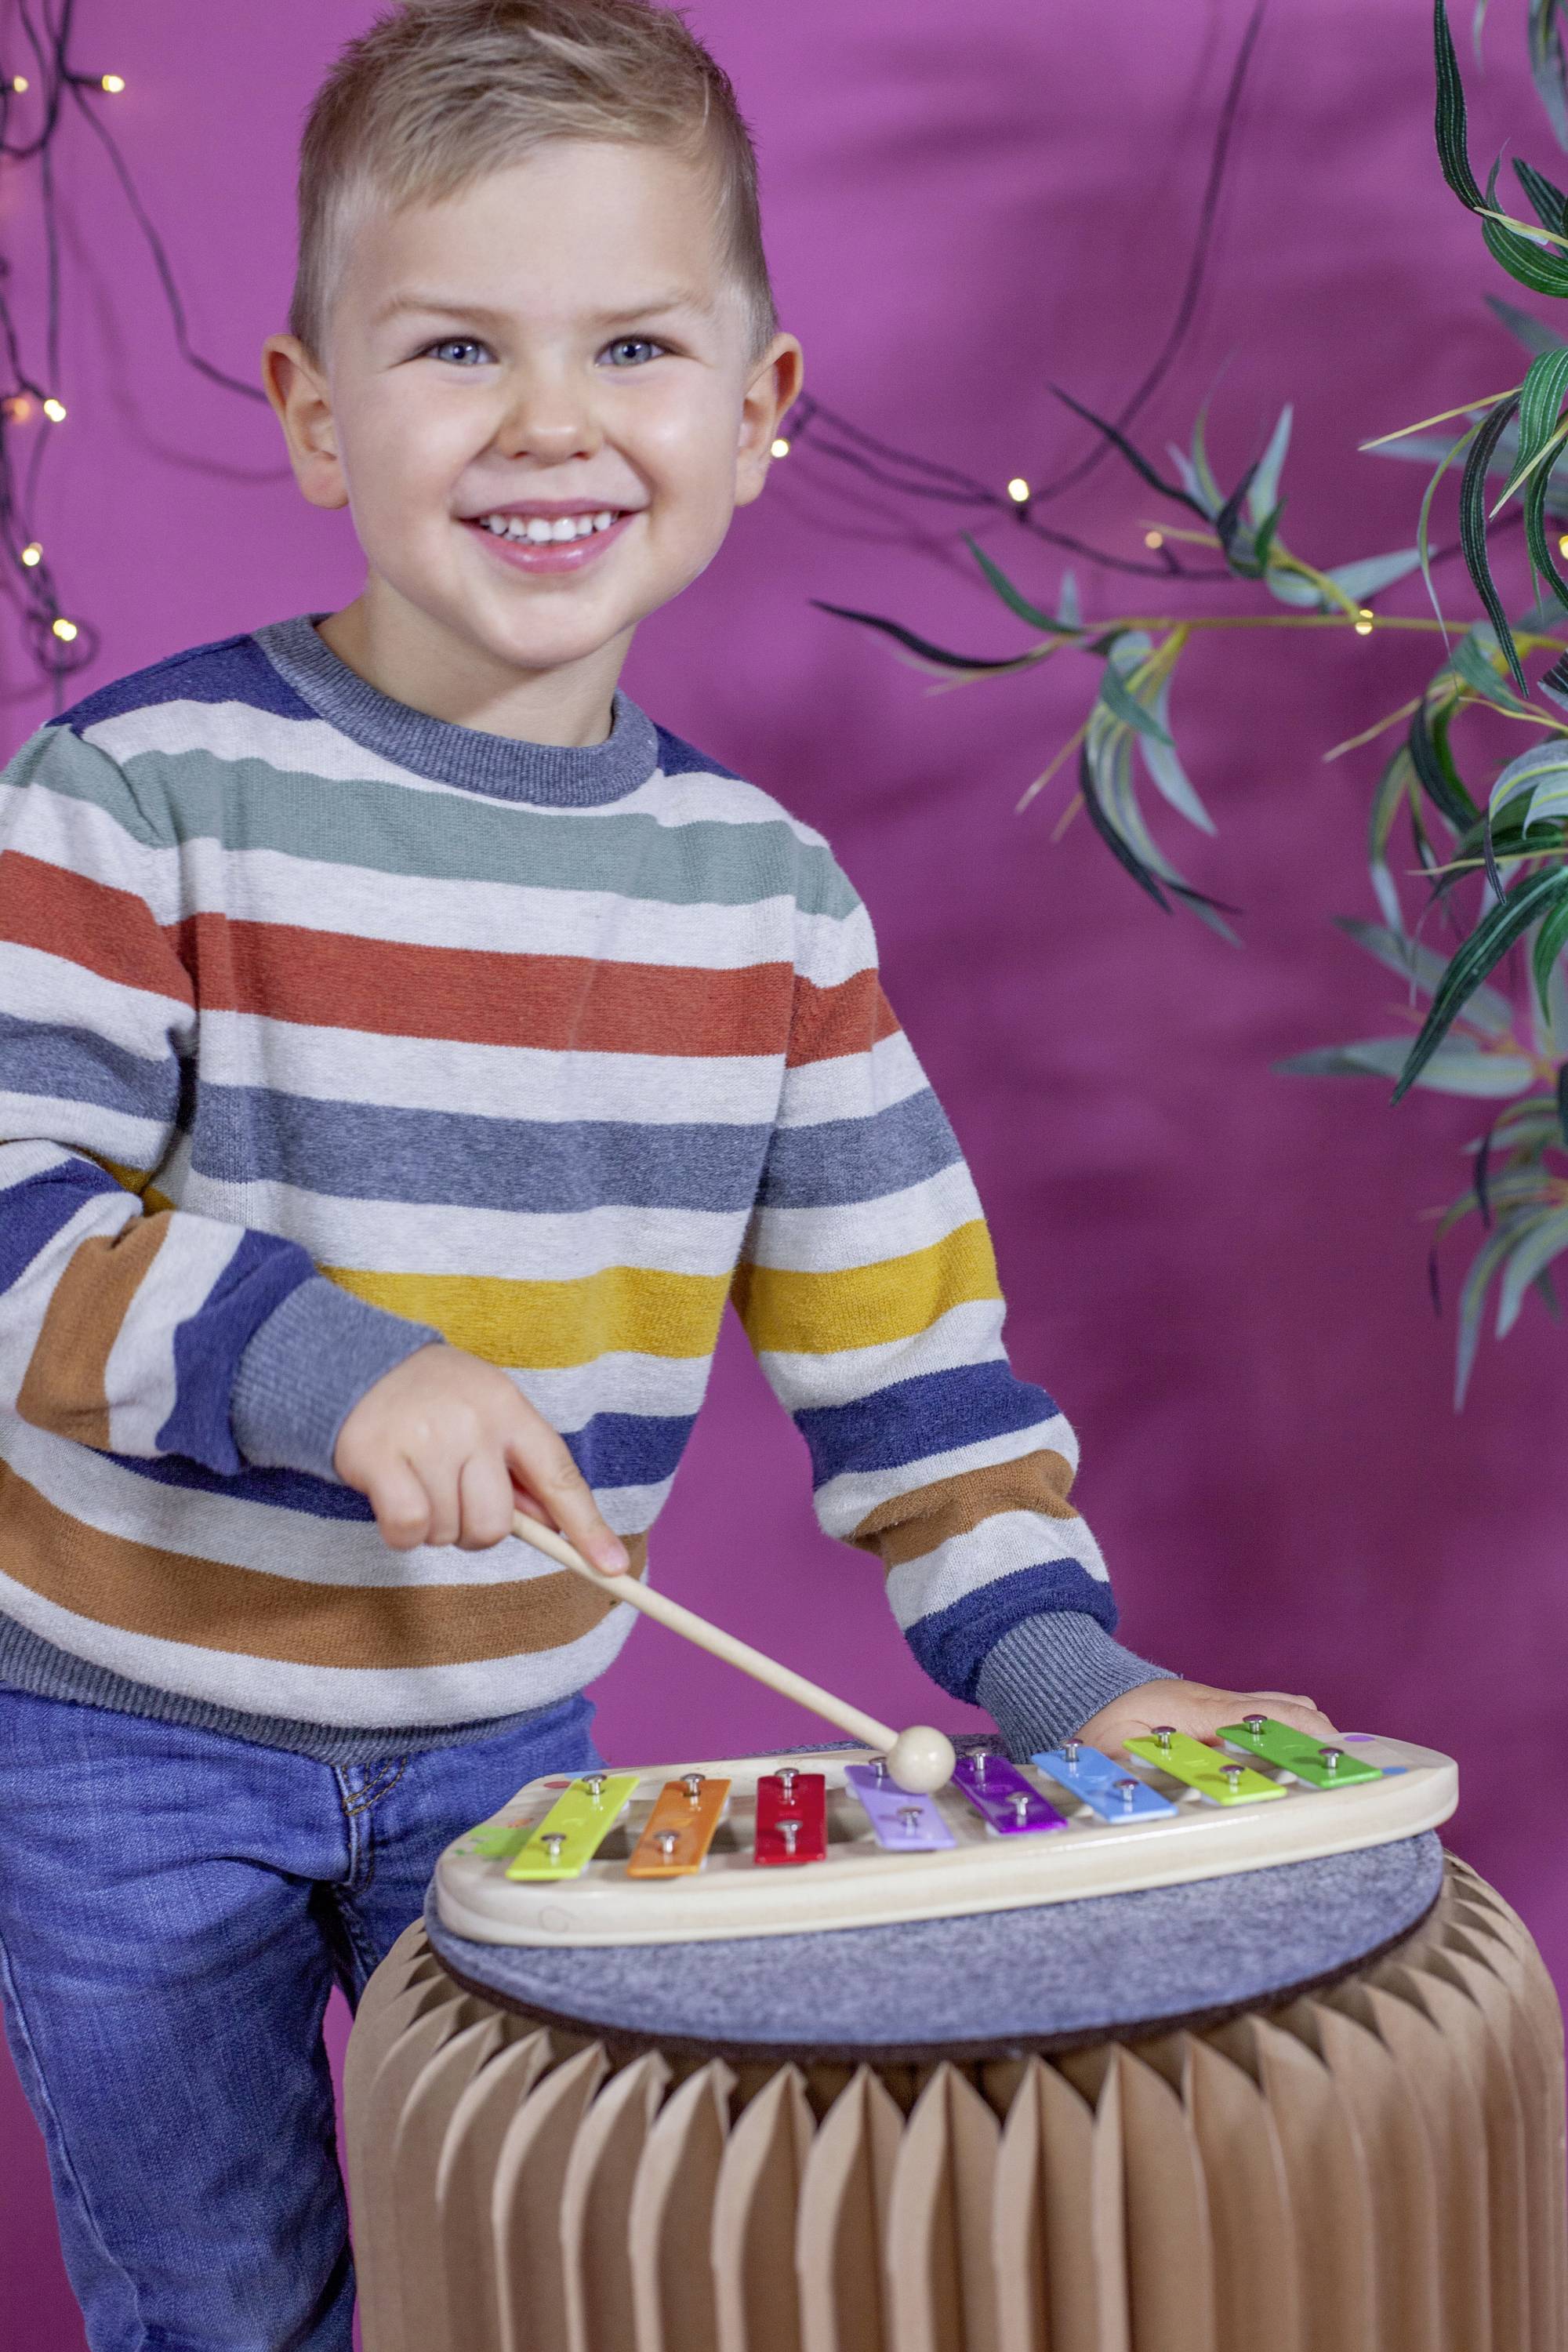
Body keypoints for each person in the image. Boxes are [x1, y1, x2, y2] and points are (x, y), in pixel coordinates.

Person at [0, 3, 1334, 2343]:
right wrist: (320, 1364)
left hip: (509, 1753)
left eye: (631, 341)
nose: (546, 421)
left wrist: (1066, 1677)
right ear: (317, 412)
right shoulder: (137, 789)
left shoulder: (768, 904)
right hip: (118, 1733)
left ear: (758, 409)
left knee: (527, 2276)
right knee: (219, 2302)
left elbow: (913, 1378)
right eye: (450, 348)